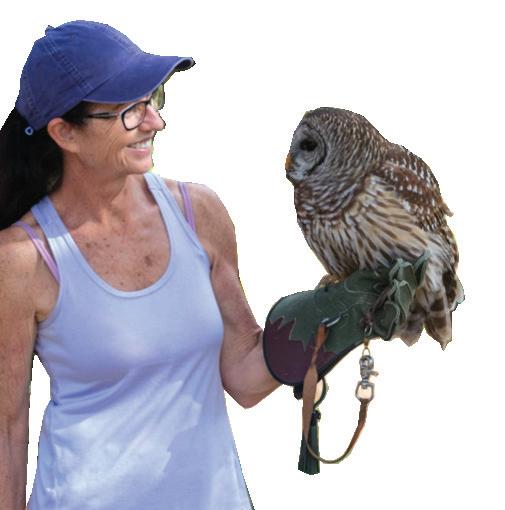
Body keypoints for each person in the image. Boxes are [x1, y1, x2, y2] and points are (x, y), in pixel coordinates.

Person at [0, 20, 282, 509]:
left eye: (153, 100)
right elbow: (7, 428)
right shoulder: (22, 258)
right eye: (129, 111)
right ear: (64, 132)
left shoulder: (200, 213)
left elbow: (244, 376)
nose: (155, 122)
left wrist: (324, 325)